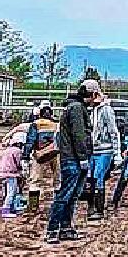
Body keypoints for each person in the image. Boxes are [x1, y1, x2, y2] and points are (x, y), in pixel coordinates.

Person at [44, 85, 94, 247]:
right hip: (72, 159)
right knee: (65, 195)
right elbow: (78, 134)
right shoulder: (77, 109)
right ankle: (53, 229)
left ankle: (65, 227)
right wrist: (82, 157)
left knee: (72, 196)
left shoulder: (76, 107)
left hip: (73, 158)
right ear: (92, 93)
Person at [83, 80, 120, 224]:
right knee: (90, 178)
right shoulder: (89, 110)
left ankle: (99, 210)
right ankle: (91, 206)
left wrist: (116, 153)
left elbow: (113, 131)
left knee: (98, 178)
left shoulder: (106, 109)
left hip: (104, 149)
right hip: (91, 150)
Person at [23, 103, 58, 214]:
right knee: (58, 180)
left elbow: (30, 140)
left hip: (39, 153)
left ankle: (33, 207)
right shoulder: (56, 125)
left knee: (35, 180)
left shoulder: (35, 124)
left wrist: (25, 156)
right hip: (55, 153)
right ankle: (57, 205)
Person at [0, 132, 24, 219]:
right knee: (12, 192)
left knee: (6, 192)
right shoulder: (17, 151)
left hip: (3, 174)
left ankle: (9, 208)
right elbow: (19, 163)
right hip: (12, 174)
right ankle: (6, 211)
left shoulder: (4, 151)